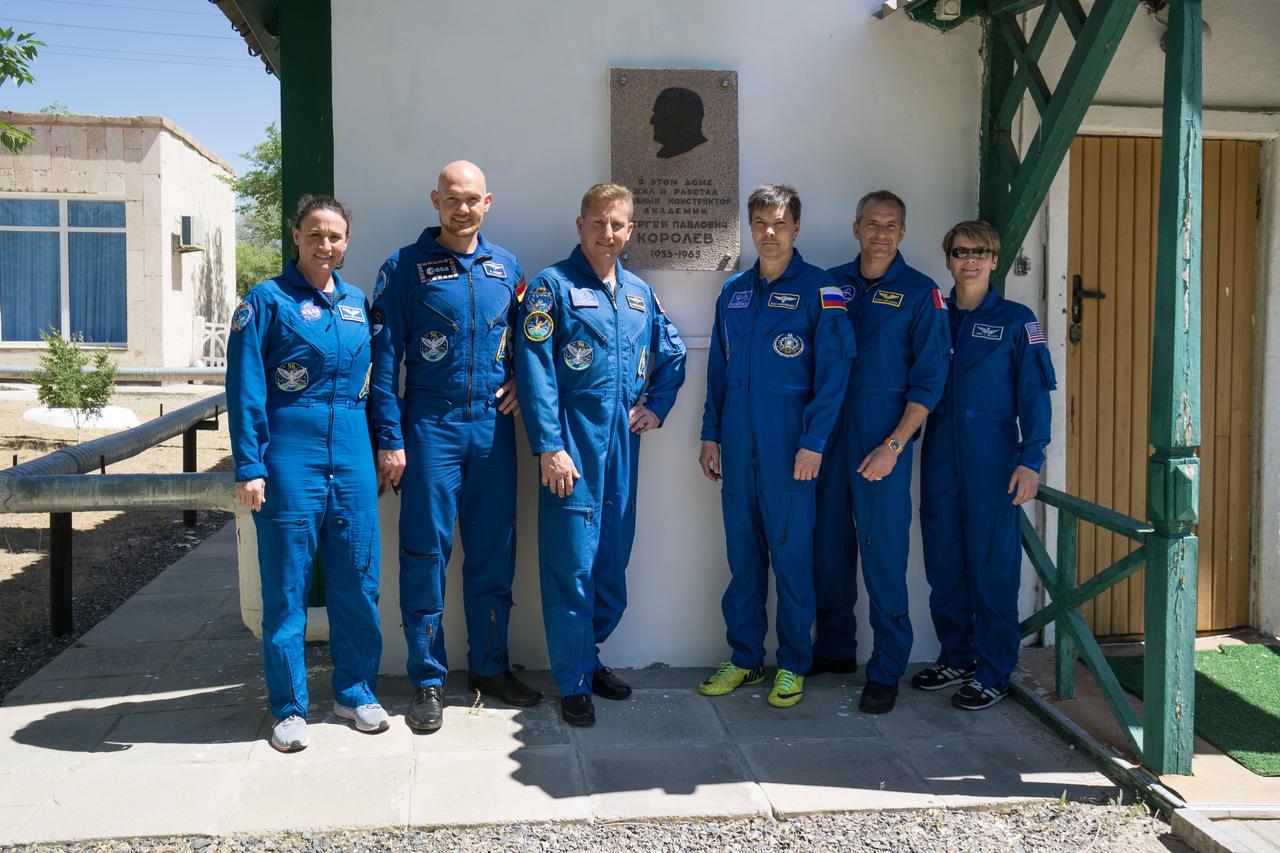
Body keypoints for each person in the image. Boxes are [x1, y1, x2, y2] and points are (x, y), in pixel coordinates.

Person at [369, 161, 540, 734]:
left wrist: (520, 377)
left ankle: (490, 669)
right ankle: (428, 679)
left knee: (495, 552)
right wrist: (390, 440)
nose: (462, 210)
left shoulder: (508, 267)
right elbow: (383, 359)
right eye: (451, 199)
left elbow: (531, 340)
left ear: (488, 201)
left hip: (492, 430)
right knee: (424, 554)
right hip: (430, 428)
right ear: (434, 200)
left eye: (472, 200)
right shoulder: (404, 268)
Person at [514, 182, 687, 727]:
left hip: (622, 450)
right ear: (580, 226)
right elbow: (535, 371)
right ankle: (572, 681)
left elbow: (674, 352)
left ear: (629, 229)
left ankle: (590, 657)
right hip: (572, 447)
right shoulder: (551, 288)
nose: (607, 234)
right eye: (598, 223)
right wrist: (549, 446)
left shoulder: (638, 292)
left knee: (612, 562)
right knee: (570, 566)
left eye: (617, 225)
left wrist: (657, 406)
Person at [227, 194, 388, 753]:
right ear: (295, 235)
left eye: (336, 236)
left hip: (352, 454)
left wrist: (386, 445)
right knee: (287, 587)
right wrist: (250, 464)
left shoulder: (357, 304)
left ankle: (355, 691)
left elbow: (379, 387)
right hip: (289, 457)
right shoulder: (266, 301)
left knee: (358, 580)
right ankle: (290, 708)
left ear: (347, 242)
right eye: (315, 234)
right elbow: (245, 388)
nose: (326, 245)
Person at [697, 184, 856, 709]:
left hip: (792, 451)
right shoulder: (735, 293)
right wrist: (711, 434)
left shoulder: (822, 289)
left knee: (791, 558)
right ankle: (744, 658)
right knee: (743, 559)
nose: (770, 232)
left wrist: (813, 442)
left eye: (780, 223)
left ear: (796, 228)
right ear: (749, 226)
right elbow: (718, 372)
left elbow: (835, 374)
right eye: (761, 222)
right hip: (738, 450)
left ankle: (792, 663)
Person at [812, 190, 951, 715]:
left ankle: (888, 666)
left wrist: (894, 446)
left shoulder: (920, 293)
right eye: (872, 224)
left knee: (883, 557)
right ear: (855, 228)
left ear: (903, 232)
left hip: (882, 447)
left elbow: (930, 380)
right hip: (827, 443)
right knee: (828, 550)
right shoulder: (830, 284)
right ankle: (834, 649)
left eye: (891, 225)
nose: (880, 234)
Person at [915, 220, 1055, 710]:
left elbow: (1035, 397)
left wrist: (1031, 458)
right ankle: (957, 656)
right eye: (959, 252)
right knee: (944, 564)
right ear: (948, 259)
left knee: (993, 568)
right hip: (938, 455)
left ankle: (994, 669)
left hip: (993, 458)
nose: (969, 260)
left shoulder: (1018, 321)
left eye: (979, 252)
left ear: (994, 261)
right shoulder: (933, 314)